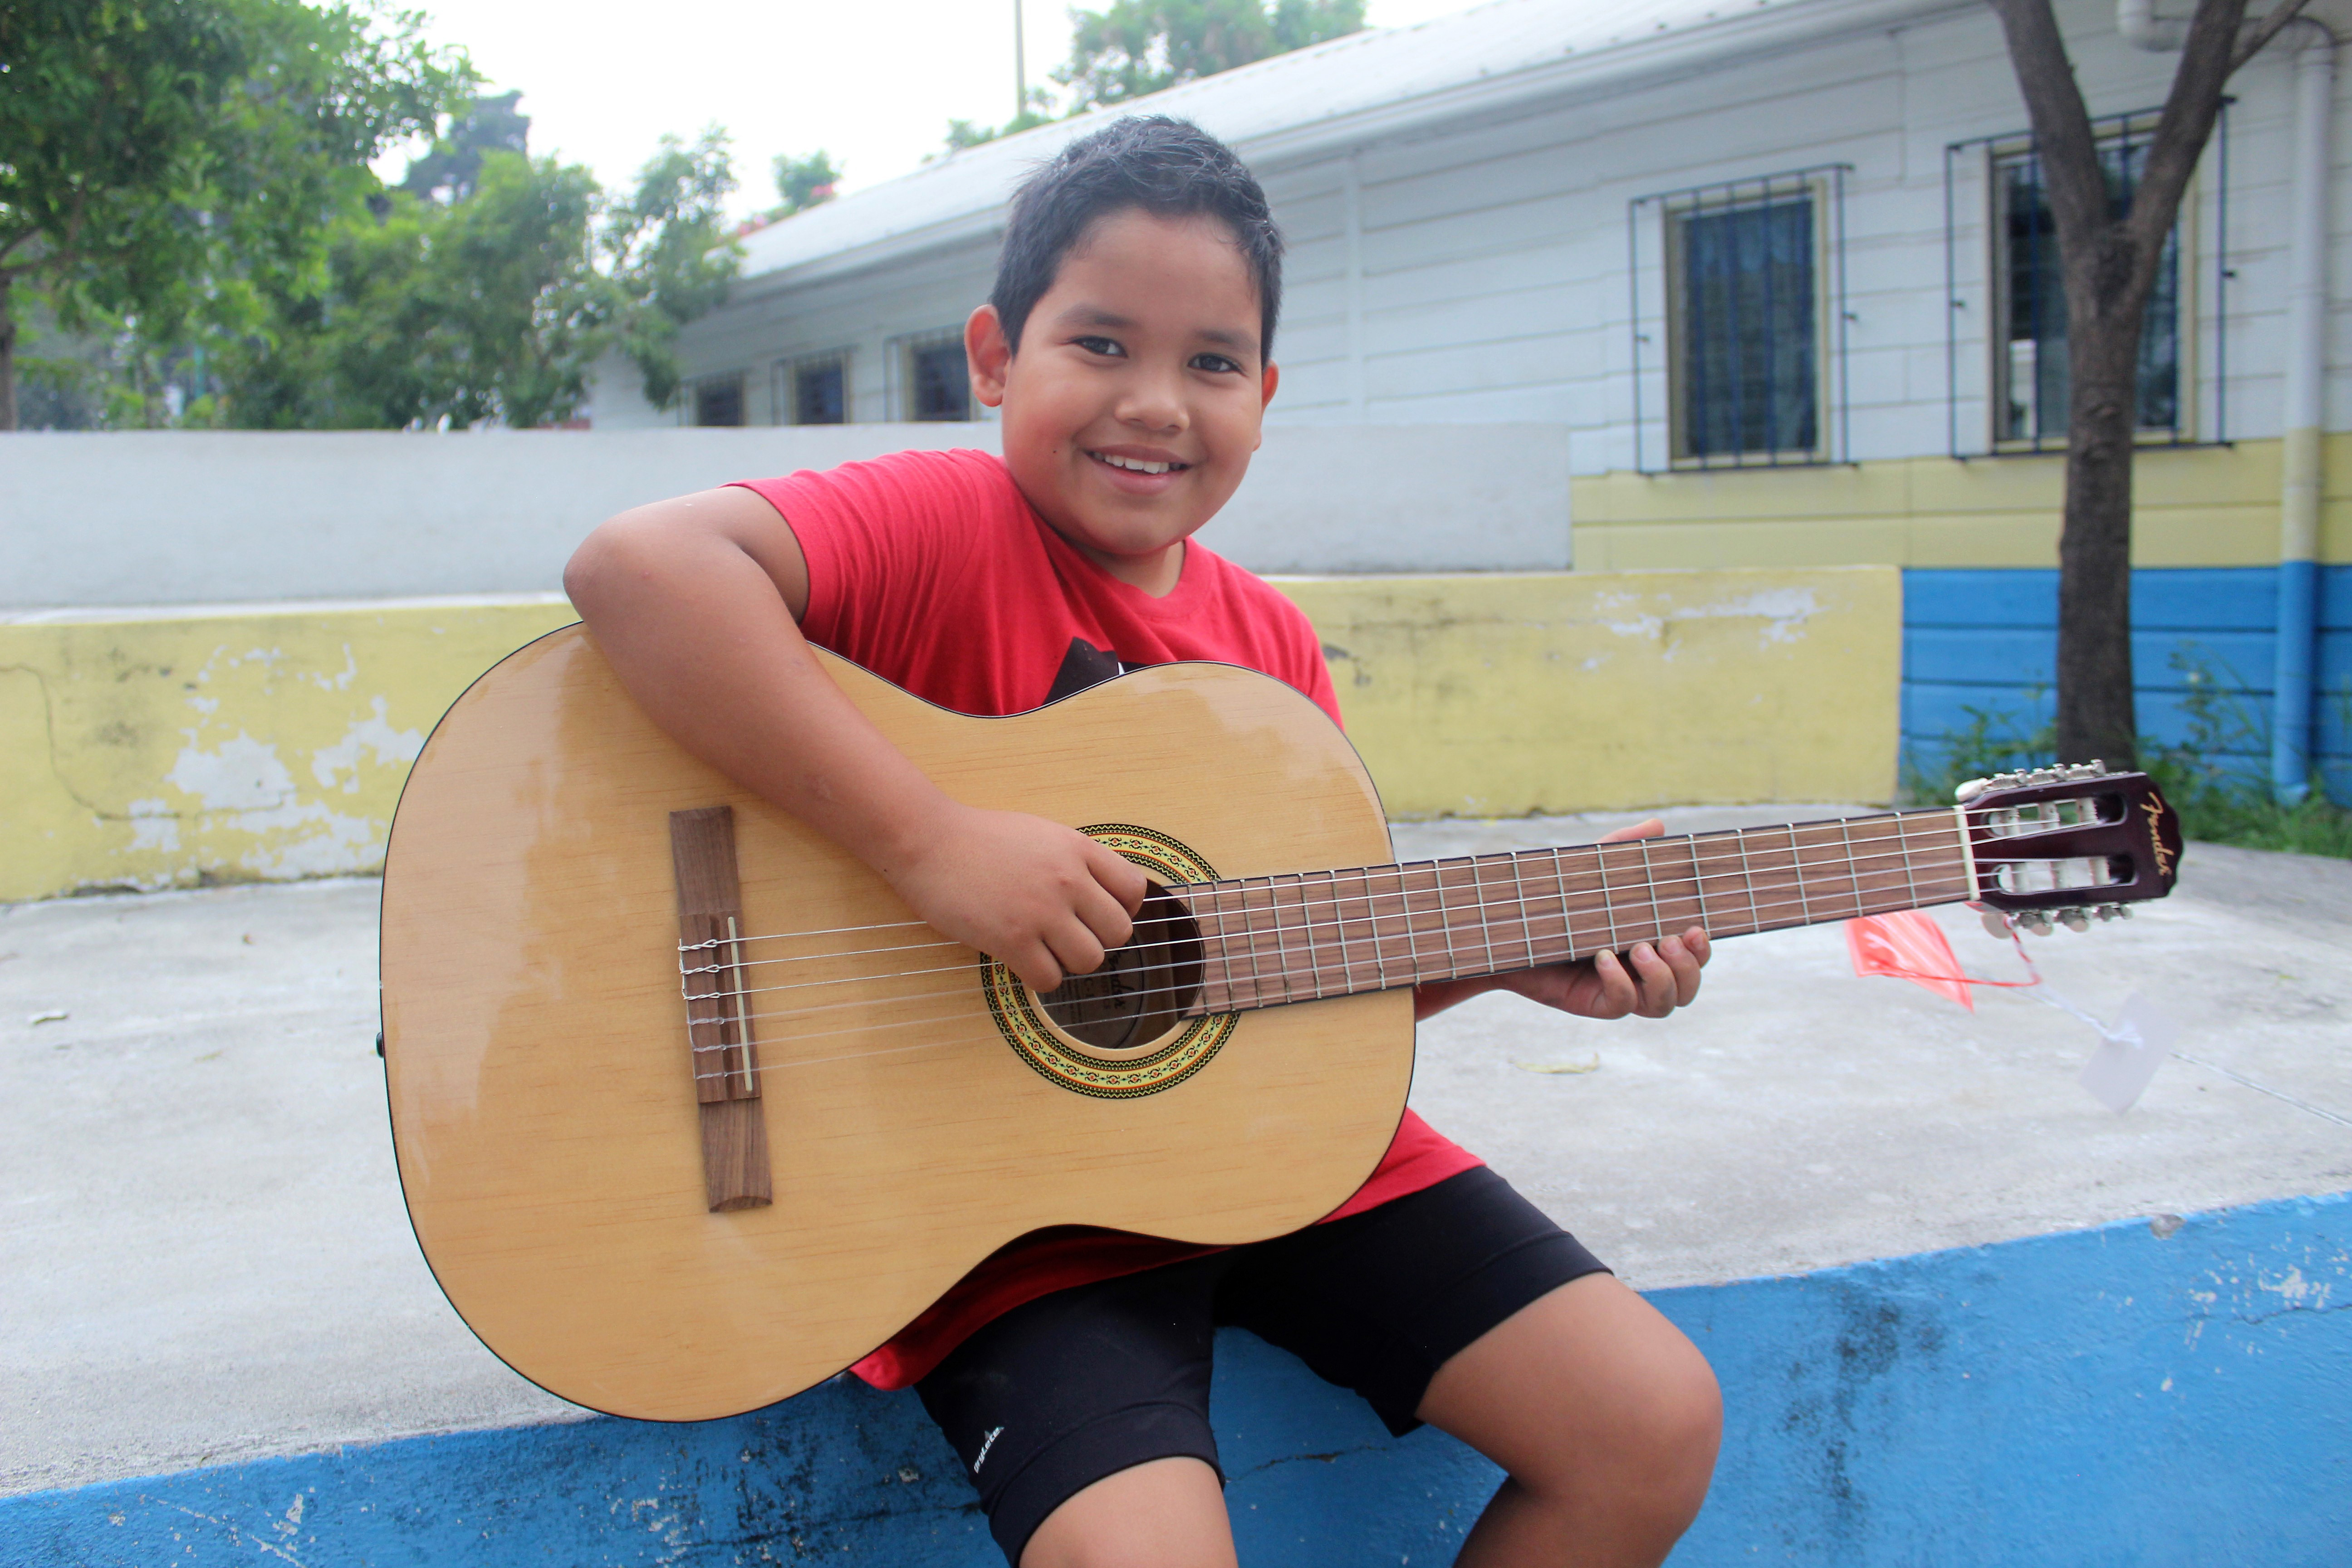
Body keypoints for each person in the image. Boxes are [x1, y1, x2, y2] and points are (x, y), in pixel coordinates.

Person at [566, 115, 1721, 1568]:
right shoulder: (941, 525)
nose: (1156, 403)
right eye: (1102, 344)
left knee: (1650, 1424)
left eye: (1212, 363)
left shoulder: (1268, 651)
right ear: (996, 357)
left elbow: (1259, 973)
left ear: (1266, 394)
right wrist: (933, 845)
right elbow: (639, 568)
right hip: (1008, 1227)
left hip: (1274, 1164)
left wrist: (1500, 956)